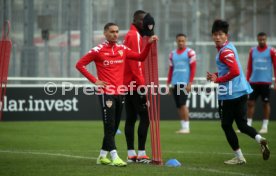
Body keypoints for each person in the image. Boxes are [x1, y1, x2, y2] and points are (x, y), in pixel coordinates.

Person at [76, 22, 158, 167]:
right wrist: (95, 81)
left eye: (117, 31)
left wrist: (149, 44)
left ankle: (102, 156)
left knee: (113, 127)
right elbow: (80, 65)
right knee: (109, 126)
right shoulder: (97, 50)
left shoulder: (122, 48)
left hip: (120, 92)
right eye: (112, 31)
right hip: (105, 93)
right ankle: (114, 156)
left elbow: (140, 57)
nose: (115, 34)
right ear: (105, 33)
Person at [207, 19, 270, 164]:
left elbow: (234, 71)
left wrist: (218, 80)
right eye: (215, 34)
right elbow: (229, 69)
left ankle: (239, 157)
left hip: (229, 94)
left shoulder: (224, 51)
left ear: (226, 35)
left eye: (220, 34)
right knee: (242, 125)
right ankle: (260, 139)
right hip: (242, 91)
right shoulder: (230, 47)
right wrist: (216, 75)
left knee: (226, 125)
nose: (217, 37)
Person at [123, 10, 152, 164]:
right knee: (146, 118)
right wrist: (142, 86)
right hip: (135, 84)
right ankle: (141, 154)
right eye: (143, 20)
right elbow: (136, 64)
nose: (145, 23)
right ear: (136, 20)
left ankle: (131, 154)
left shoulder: (131, 34)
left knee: (131, 118)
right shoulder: (134, 36)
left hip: (127, 83)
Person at [246, 32, 276, 134]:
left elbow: (275, 67)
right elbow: (249, 67)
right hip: (254, 81)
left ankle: (265, 126)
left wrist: (275, 81)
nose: (262, 41)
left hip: (265, 82)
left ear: (266, 39)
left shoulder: (271, 51)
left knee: (265, 103)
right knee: (250, 103)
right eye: (260, 39)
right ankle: (248, 125)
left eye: (264, 39)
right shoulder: (252, 51)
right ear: (257, 39)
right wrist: (247, 81)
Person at [166, 33, 196, 134]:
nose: (181, 43)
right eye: (179, 41)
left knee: (183, 104)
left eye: (183, 41)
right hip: (175, 83)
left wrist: (190, 83)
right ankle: (183, 127)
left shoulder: (190, 53)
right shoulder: (172, 54)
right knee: (178, 106)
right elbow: (171, 69)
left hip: (184, 83)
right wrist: (168, 83)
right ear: (176, 41)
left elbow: (193, 69)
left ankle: (187, 127)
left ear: (185, 41)